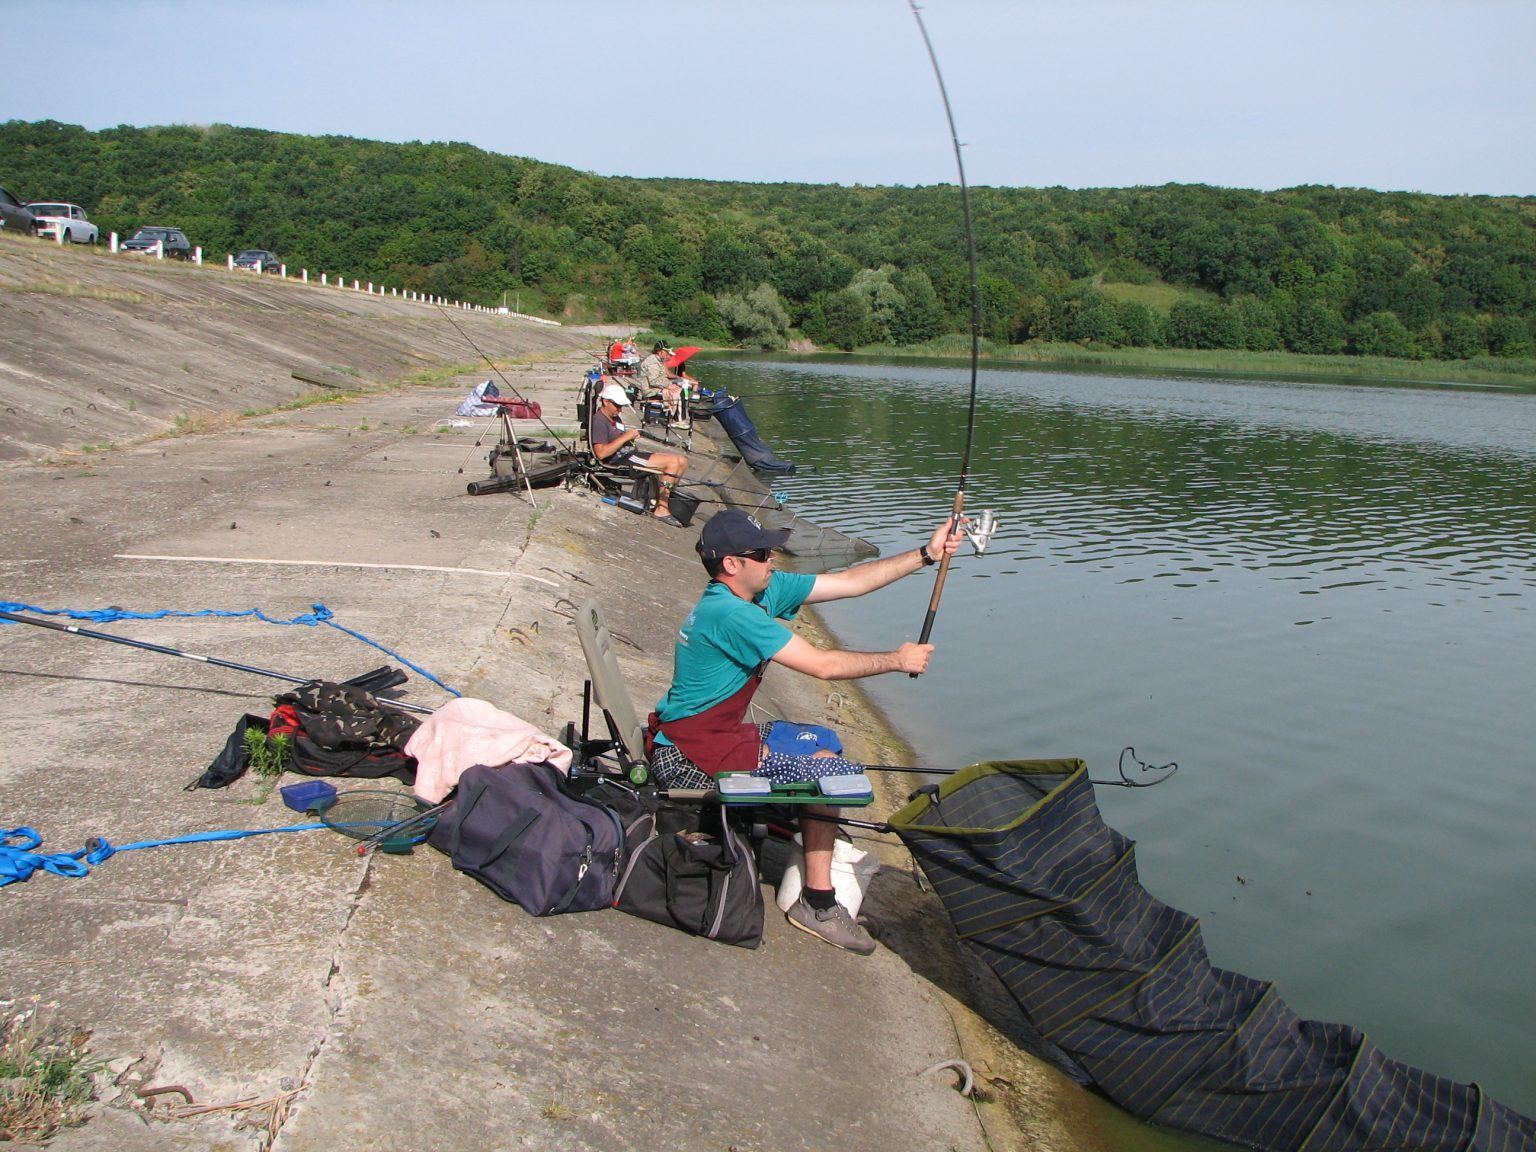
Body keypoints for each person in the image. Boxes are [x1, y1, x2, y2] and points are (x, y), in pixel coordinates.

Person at [648, 508, 965, 954]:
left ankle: (811, 836)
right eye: (761, 552)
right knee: (835, 778)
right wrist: (897, 659)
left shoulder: (758, 592)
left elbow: (852, 582)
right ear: (732, 565)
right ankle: (817, 904)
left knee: (819, 741)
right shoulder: (730, 613)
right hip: (688, 757)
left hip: (711, 737)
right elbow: (824, 666)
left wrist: (926, 555)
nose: (772, 558)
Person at [588, 382, 689, 525]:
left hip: (629, 454)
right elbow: (601, 453)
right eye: (617, 405)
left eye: (621, 406)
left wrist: (629, 438)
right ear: (605, 401)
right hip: (622, 460)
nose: (620, 410)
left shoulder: (614, 418)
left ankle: (663, 499)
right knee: (672, 463)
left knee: (682, 460)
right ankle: (661, 508)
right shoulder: (599, 421)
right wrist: (626, 437)